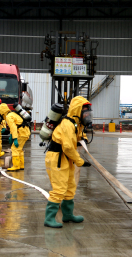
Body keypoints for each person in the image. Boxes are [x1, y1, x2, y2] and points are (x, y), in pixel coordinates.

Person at [43, 96, 92, 228]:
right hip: (58, 158)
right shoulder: (67, 124)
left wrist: (84, 138)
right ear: (77, 111)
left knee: (70, 187)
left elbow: (78, 134)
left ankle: (68, 215)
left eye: (88, 113)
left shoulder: (76, 123)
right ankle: (49, 219)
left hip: (67, 158)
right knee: (59, 189)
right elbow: (68, 147)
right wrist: (79, 161)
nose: (87, 115)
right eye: (85, 112)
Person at [0, 102, 31, 172]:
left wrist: (15, 138)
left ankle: (16, 166)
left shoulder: (8, 117)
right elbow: (14, 126)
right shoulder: (12, 114)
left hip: (21, 133)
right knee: (19, 149)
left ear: (2, 112)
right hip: (25, 132)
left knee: (15, 148)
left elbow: (13, 128)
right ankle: (21, 165)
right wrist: (11, 136)